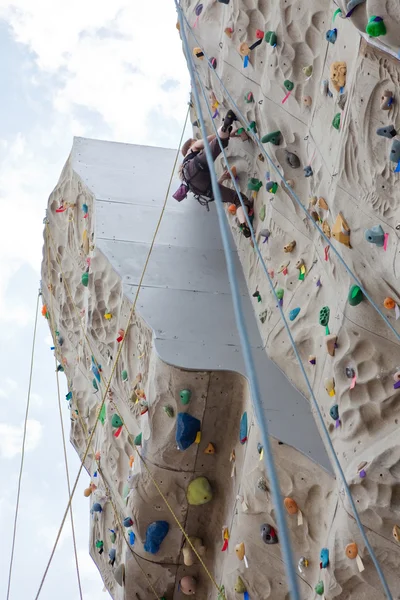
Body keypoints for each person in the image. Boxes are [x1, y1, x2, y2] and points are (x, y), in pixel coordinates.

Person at [178, 110, 253, 238]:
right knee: (219, 142)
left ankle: (243, 223)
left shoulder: (184, 169)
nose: (196, 140)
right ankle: (225, 126)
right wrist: (227, 133)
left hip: (199, 188)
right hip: (194, 166)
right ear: (190, 144)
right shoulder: (192, 148)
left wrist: (222, 178)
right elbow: (208, 141)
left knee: (238, 199)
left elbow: (211, 188)